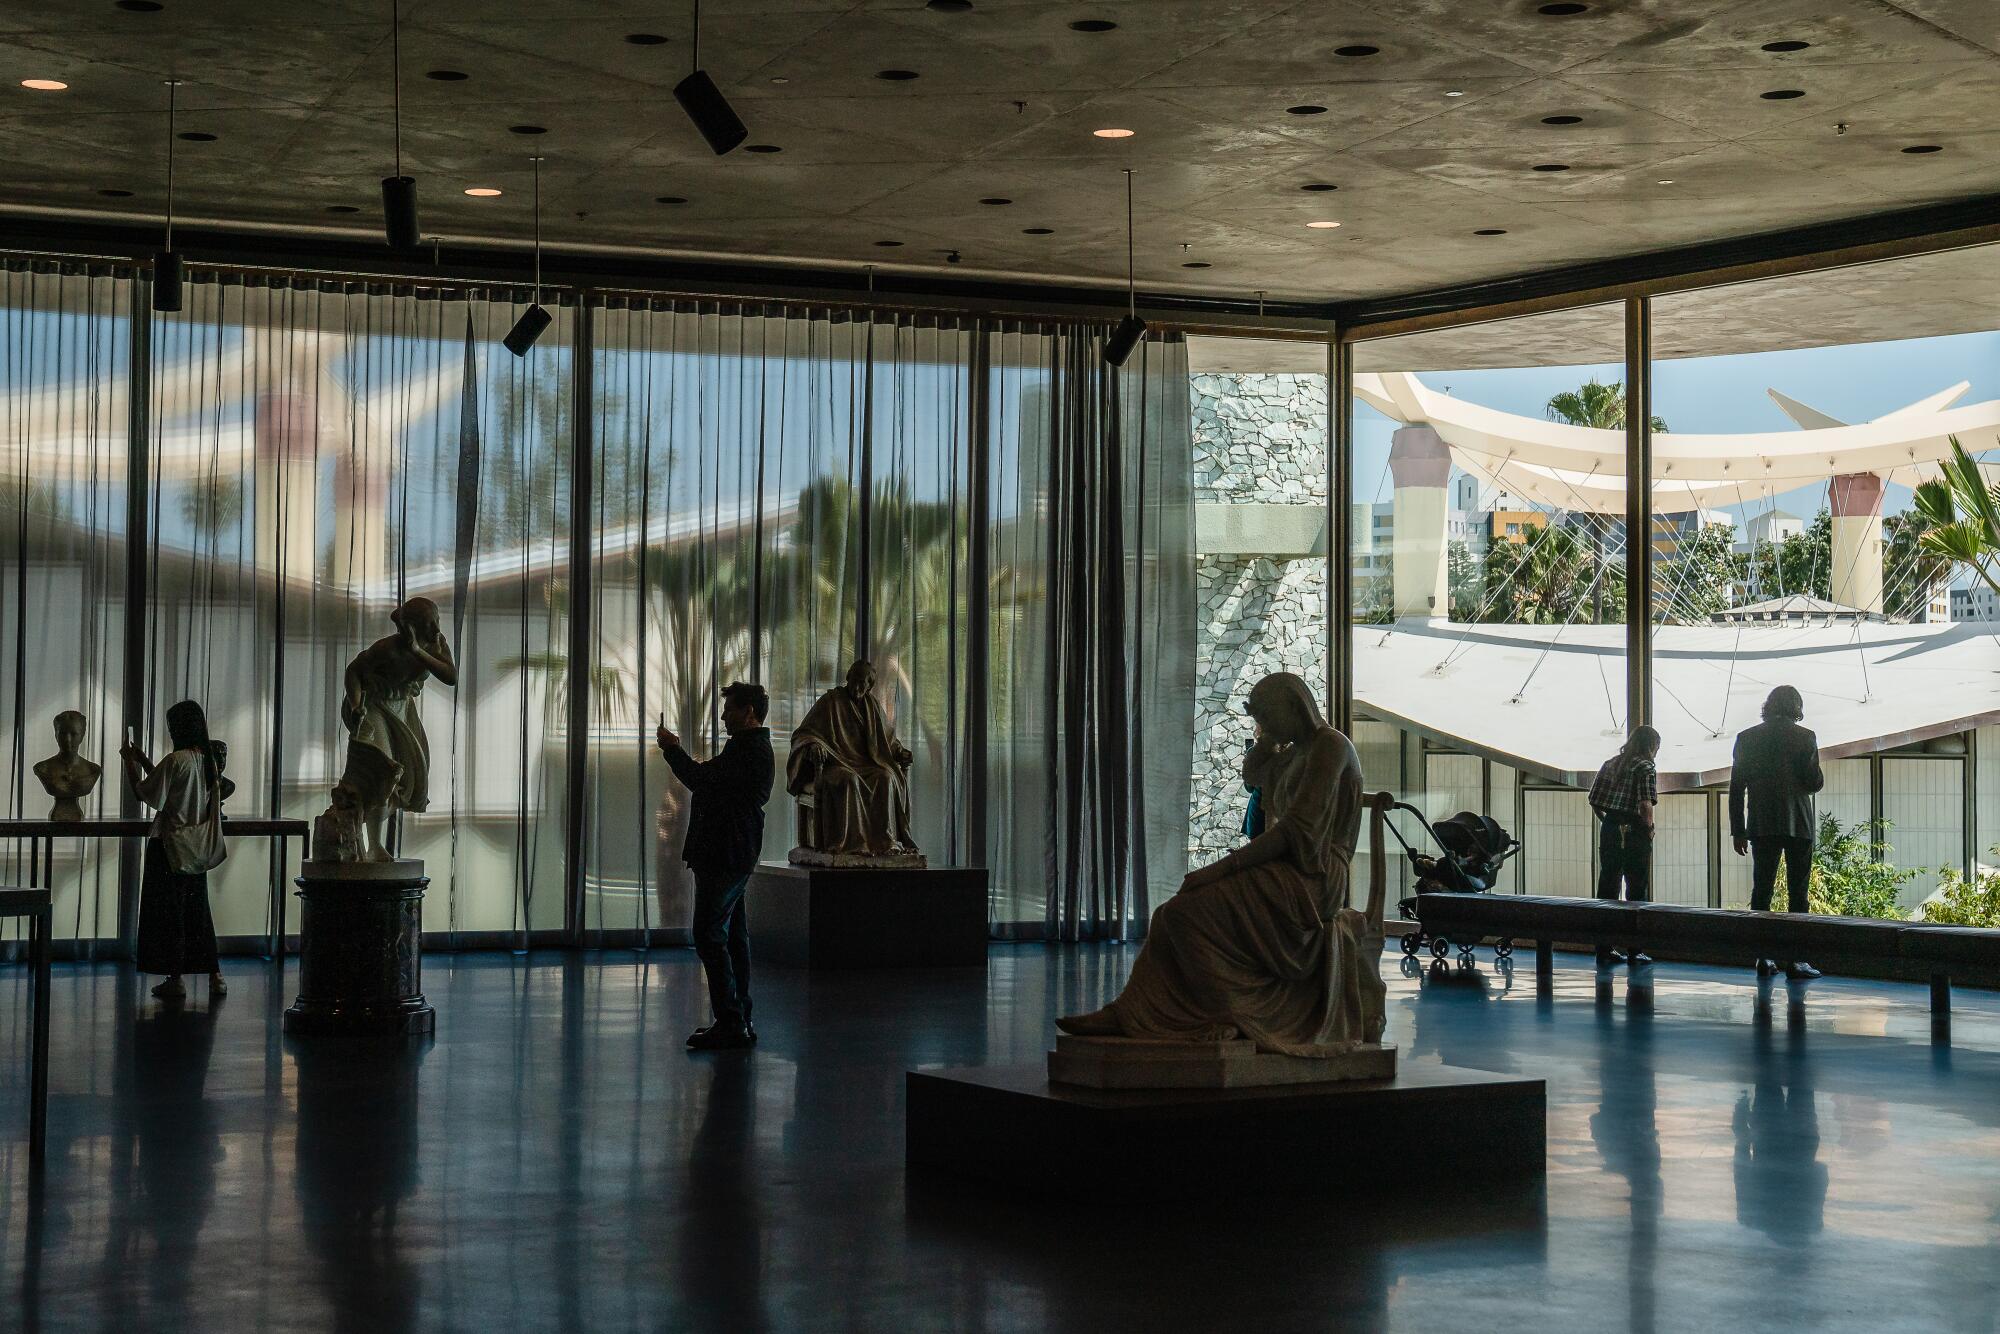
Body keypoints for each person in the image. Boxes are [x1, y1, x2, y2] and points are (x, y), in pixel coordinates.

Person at [1057, 673, 1385, 1055]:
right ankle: (1133, 1011)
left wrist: (1221, 869)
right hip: (1288, 870)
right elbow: (1254, 778)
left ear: (1296, 707)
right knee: (1170, 915)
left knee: (1182, 914)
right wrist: (1265, 743)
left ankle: (1228, 1014)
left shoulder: (1331, 746)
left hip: (1315, 879)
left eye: (1268, 717)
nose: (1264, 727)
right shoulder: (1294, 751)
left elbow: (1297, 831)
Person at [658, 682, 775, 1051]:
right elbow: (709, 782)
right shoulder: (749, 749)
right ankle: (739, 1017)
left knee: (709, 933)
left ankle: (731, 1022)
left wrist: (673, 750)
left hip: (725, 854)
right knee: (733, 937)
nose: (723, 716)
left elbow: (701, 780)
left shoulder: (747, 751)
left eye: (730, 709)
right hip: (732, 854)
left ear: (749, 711)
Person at [120, 700, 228, 1003]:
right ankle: (215, 976)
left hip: (167, 847)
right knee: (198, 912)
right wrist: (144, 760)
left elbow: (148, 794)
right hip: (195, 848)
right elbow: (177, 786)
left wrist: (130, 765)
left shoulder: (175, 759)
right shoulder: (207, 761)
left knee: (170, 915)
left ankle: (175, 978)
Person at [1729, 685, 1826, 980]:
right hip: (1799, 824)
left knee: (1762, 890)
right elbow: (1814, 783)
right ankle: (1797, 960)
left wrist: (1738, 830)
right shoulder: (1805, 737)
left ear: (1768, 706)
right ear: (1796, 707)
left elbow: (1736, 788)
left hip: (1762, 823)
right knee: (1799, 893)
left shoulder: (1747, 738)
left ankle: (1763, 956)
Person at [1587, 724, 1660, 968]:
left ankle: (1604, 948)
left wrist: (1609, 821)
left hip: (1610, 827)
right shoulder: (1645, 766)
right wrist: (1648, 830)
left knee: (1608, 885)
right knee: (1636, 889)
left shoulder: (1611, 763)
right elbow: (1645, 805)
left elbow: (1594, 800)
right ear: (1651, 746)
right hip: (1634, 830)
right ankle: (1635, 949)